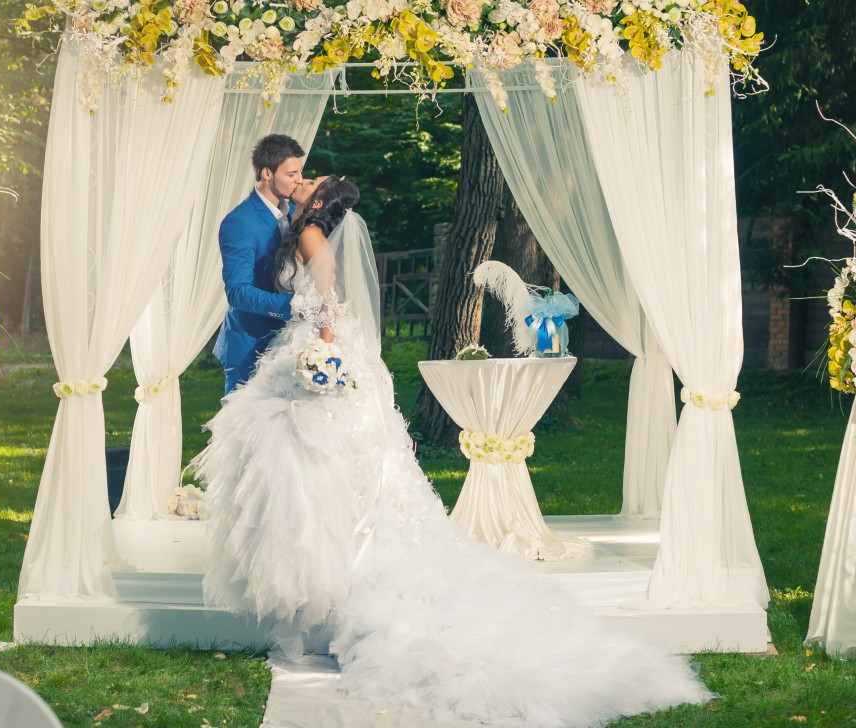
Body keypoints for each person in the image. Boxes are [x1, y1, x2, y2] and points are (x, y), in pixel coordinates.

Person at [192, 176, 711, 726]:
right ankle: (324, 588)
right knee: (332, 473)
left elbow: (326, 306)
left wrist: (323, 359)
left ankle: (333, 588)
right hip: (319, 349)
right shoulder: (303, 232)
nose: (304, 181)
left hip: (321, 354)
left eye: (311, 182)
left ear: (320, 202)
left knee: (326, 470)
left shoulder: (314, 237)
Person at [213, 134, 305, 396]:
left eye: (300, 172)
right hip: (250, 344)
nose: (299, 179)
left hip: (290, 344)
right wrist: (294, 305)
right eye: (291, 173)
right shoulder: (239, 222)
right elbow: (238, 292)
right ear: (267, 173)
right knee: (241, 431)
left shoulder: (294, 213)